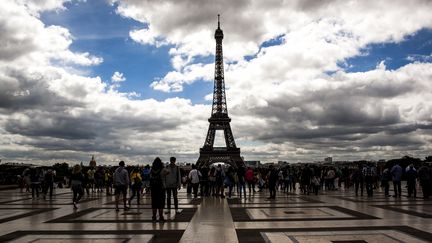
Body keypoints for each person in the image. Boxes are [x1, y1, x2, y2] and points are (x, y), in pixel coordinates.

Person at [150, 157, 167, 221]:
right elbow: (168, 172)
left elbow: (150, 177)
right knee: (161, 203)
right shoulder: (162, 169)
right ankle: (161, 216)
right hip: (161, 188)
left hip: (154, 188)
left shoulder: (151, 170)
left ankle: (154, 217)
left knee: (154, 203)